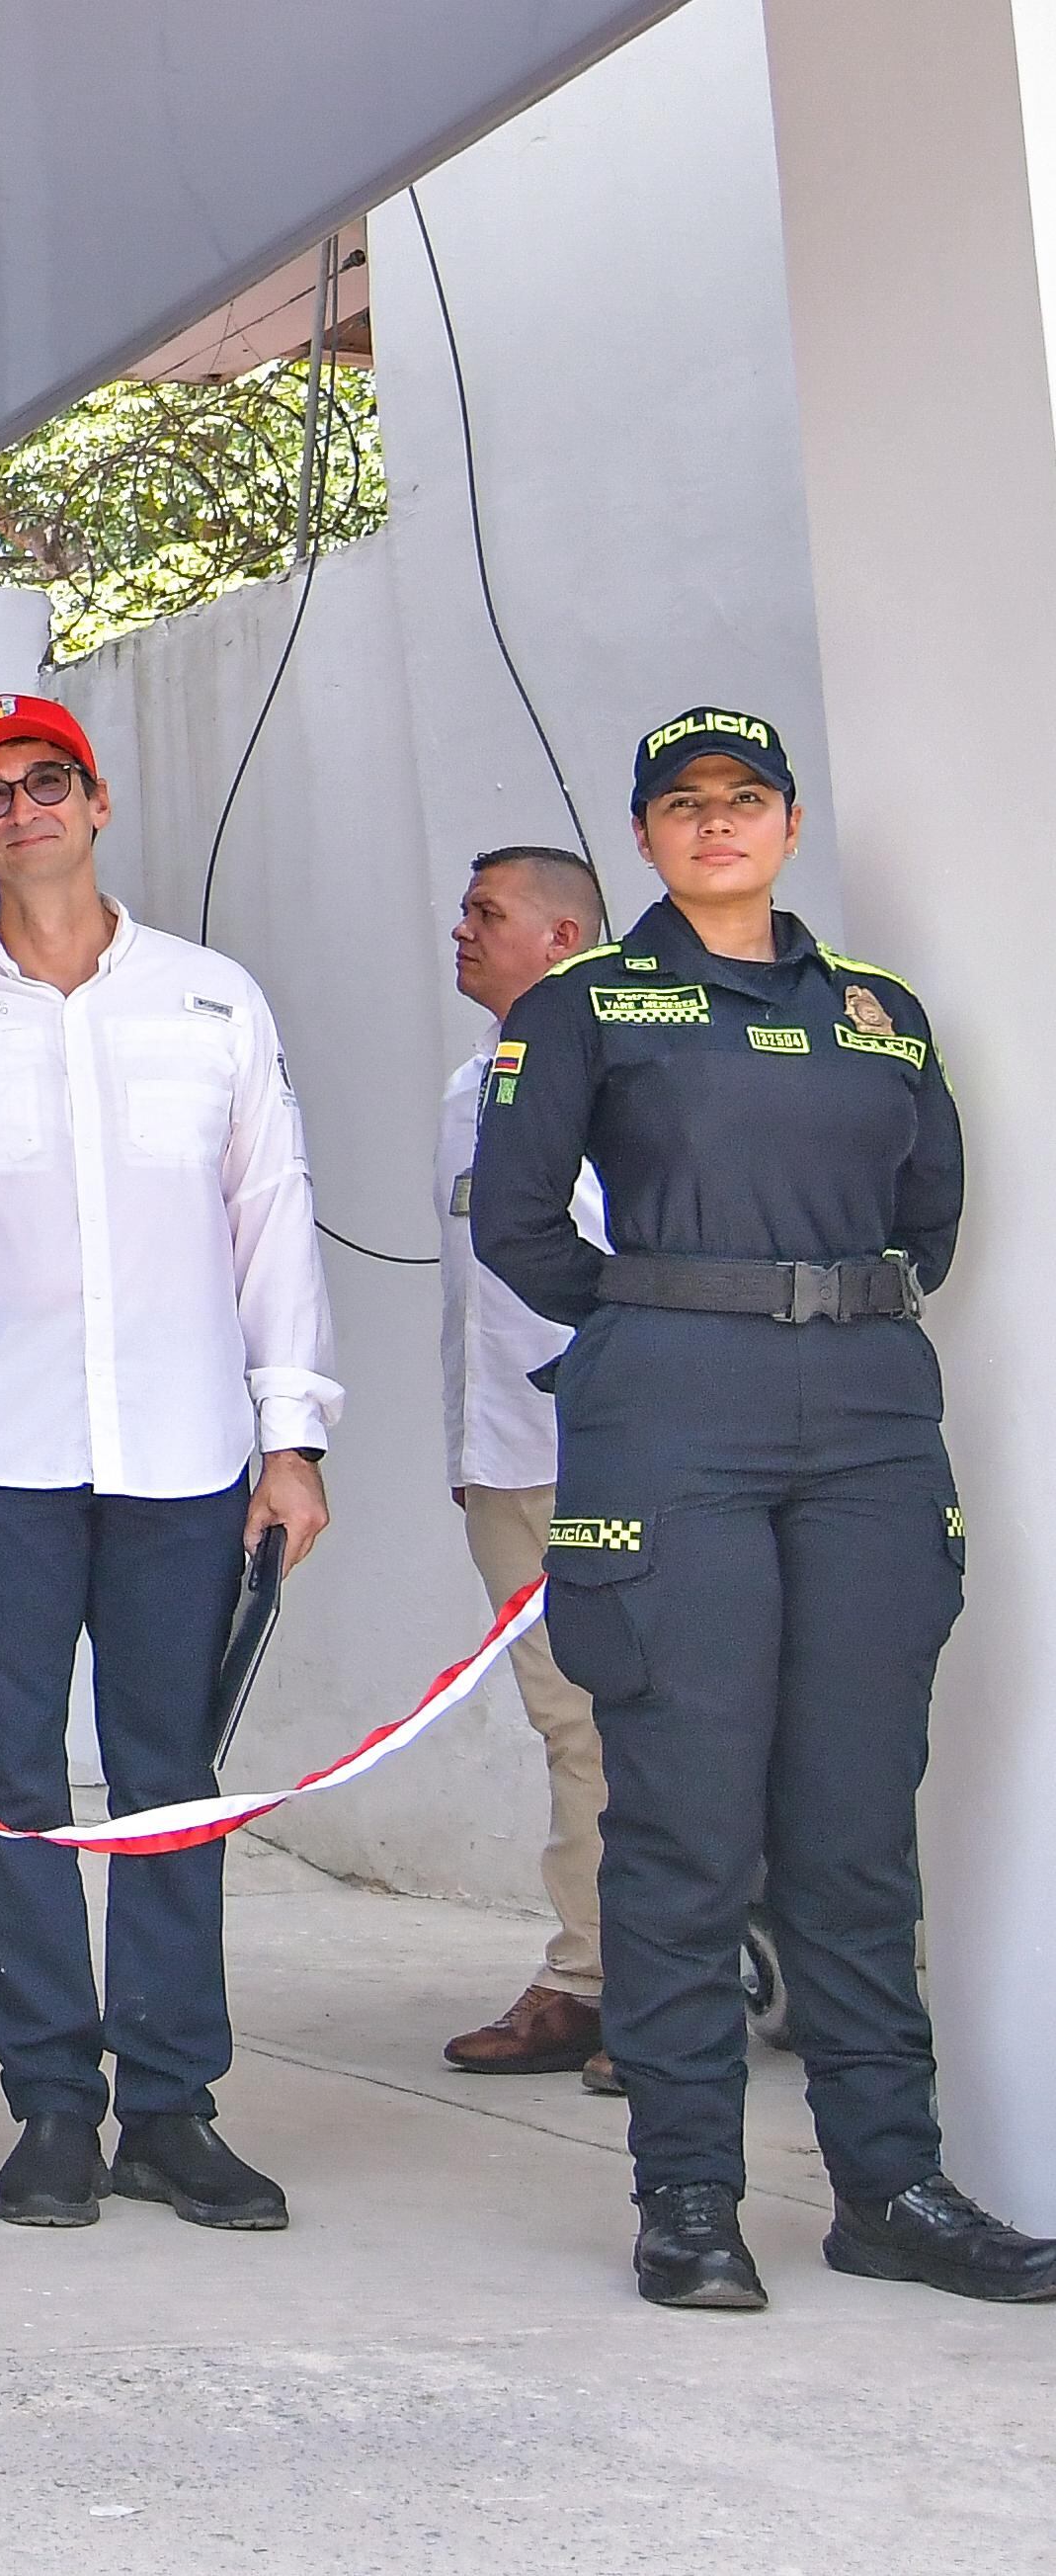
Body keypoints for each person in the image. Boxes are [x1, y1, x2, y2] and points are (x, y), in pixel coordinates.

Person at [477, 707, 1056, 2310]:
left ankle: (889, 2184)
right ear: (647, 836)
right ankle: (689, 2201)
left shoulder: (878, 1013)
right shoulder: (587, 1003)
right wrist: (672, 1319)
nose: (716, 824)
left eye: (744, 798)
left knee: (857, 1823)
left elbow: (929, 1206)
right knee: (681, 1819)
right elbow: (523, 1224)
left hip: (867, 1417)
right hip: (677, 1421)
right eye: (683, 804)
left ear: (790, 824)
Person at [0, 692, 339, 2233]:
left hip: (184, 1455)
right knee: (3, 1785)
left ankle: (172, 2105)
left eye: (42, 780)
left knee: (164, 1783)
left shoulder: (209, 1000)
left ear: (94, 796)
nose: (19, 808)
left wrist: (290, 1434)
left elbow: (271, 1215)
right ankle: (51, 2100)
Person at [435, 847, 618, 2087]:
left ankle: (603, 1987)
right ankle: (621, 1975)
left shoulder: (630, 1069)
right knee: (569, 1723)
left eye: (486, 913)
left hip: (600, 1452)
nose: (460, 930)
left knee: (602, 1726)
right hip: (501, 1457)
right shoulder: (469, 1083)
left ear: (561, 937)